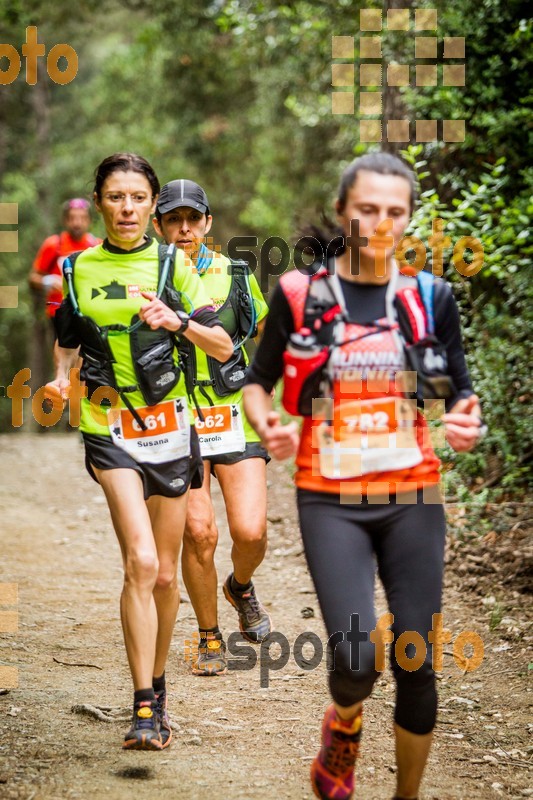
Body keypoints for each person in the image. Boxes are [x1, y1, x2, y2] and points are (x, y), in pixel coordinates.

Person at [243, 152, 484, 800]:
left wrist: (465, 421)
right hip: (331, 498)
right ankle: (343, 723)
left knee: (416, 657)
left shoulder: (429, 296)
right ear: (344, 211)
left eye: (394, 212)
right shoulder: (299, 295)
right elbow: (256, 384)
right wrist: (267, 425)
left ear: (409, 218)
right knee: (354, 660)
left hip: (411, 495)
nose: (379, 223)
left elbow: (461, 392)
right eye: (366, 210)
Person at [45, 154, 233, 750]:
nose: (127, 208)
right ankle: (143, 708)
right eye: (115, 196)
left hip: (174, 429)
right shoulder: (77, 268)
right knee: (143, 563)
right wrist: (58, 377)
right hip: (110, 427)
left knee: (167, 574)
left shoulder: (176, 264)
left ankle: (159, 688)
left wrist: (177, 321)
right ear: (98, 201)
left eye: (138, 198)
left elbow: (223, 345)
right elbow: (68, 336)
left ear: (152, 207)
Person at [153, 179, 271, 676]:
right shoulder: (145, 275)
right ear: (158, 226)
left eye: (192, 219)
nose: (183, 229)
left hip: (232, 413)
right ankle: (208, 636)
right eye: (172, 220)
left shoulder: (236, 273)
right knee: (199, 531)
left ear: (207, 223)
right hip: (178, 417)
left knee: (251, 532)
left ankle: (239, 586)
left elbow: (253, 333)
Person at [28, 199, 101, 393]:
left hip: (89, 310)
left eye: (82, 218)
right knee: (65, 350)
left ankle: (78, 394)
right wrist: (48, 281)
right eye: (72, 218)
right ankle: (61, 386)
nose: (77, 223)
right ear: (65, 220)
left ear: (89, 221)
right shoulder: (54, 245)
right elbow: (33, 276)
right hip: (58, 310)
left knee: (85, 357)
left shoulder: (96, 245)